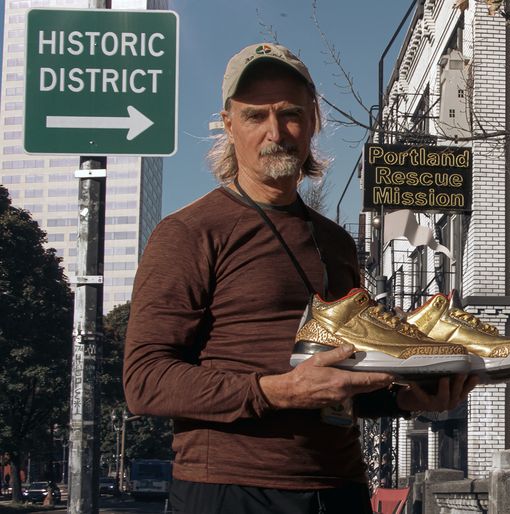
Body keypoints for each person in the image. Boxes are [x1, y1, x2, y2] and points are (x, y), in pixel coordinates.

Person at [123, 43, 478, 514]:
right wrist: (276, 390)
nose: (275, 132)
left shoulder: (336, 241)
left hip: (339, 488)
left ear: (313, 120)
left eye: (290, 113)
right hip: (231, 488)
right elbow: (145, 380)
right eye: (255, 116)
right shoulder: (189, 232)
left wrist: (406, 399)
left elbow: (341, 379)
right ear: (229, 125)